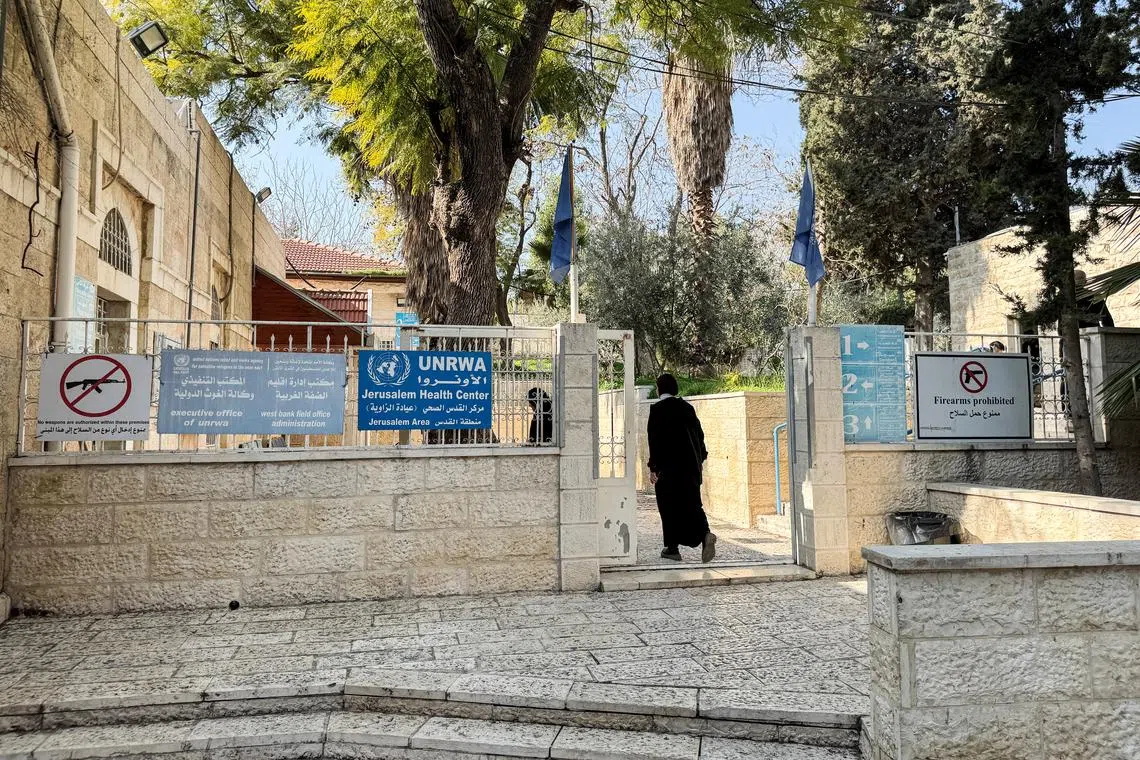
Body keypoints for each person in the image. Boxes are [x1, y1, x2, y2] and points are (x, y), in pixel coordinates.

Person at [646, 373, 717, 563]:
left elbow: (655, 441)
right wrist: (700, 460)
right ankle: (705, 534)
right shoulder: (688, 408)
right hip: (691, 468)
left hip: (668, 470)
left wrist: (653, 467)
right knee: (693, 504)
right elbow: (699, 436)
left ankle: (672, 548)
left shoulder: (657, 410)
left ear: (660, 388)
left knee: (668, 507)